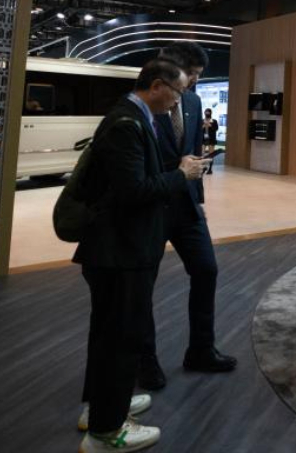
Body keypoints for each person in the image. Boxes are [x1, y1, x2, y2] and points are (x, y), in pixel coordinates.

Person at [74, 58, 205, 453]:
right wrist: (180, 175)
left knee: (109, 335)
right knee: (120, 337)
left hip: (118, 248)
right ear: (158, 85)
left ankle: (101, 408)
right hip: (119, 251)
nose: (179, 100)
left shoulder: (131, 116)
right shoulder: (127, 124)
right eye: (178, 91)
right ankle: (107, 431)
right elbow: (134, 191)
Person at [137, 43, 236, 392]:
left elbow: (191, 154)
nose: (193, 83)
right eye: (191, 75)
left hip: (187, 207)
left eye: (196, 77)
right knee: (142, 286)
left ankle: (201, 350)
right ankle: (144, 361)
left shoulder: (193, 103)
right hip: (150, 208)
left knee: (206, 270)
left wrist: (199, 199)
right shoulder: (144, 104)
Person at [202, 109, 219, 174]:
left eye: (208, 112)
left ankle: (210, 169)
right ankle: (203, 167)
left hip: (211, 139)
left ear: (211, 113)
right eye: (206, 112)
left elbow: (216, 129)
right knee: (202, 153)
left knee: (211, 154)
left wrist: (210, 125)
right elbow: (199, 129)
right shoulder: (202, 121)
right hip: (203, 139)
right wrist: (203, 126)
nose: (207, 113)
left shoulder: (214, 121)